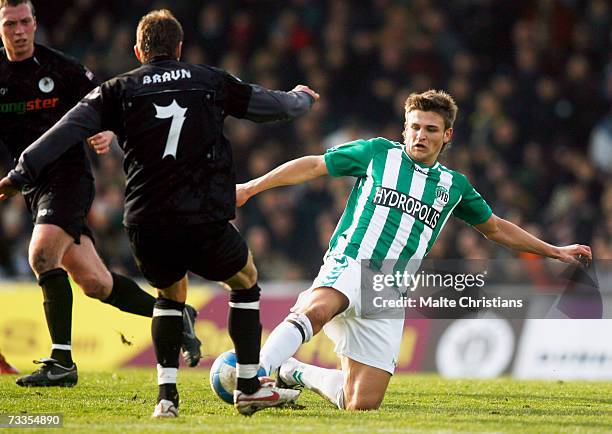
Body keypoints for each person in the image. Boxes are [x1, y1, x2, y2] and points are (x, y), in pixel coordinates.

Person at [0, 8, 320, 417]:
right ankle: (249, 385)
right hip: (203, 216)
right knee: (246, 281)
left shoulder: (116, 89)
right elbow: (271, 105)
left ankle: (166, 399)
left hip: (147, 223)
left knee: (168, 295)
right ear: (180, 48)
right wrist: (300, 99)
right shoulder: (210, 80)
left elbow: (63, 130)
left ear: (137, 50)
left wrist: (19, 173)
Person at [235, 89, 592, 410]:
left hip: (388, 292)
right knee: (317, 310)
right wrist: (251, 187)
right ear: (404, 128)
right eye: (414, 127)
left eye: (430, 129)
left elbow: (496, 228)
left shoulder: (454, 187)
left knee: (359, 403)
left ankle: (291, 371)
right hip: (352, 262)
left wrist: (553, 251)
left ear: (447, 135)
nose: (420, 135)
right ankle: (253, 378)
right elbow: (314, 165)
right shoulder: (378, 154)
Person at [0, 0, 201, 388]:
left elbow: (111, 101)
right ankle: (178, 312)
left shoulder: (61, 68)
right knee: (96, 283)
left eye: (26, 22)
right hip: (32, 186)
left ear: (37, 23)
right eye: (10, 24)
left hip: (68, 177)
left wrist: (108, 130)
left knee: (41, 255)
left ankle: (61, 362)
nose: (20, 31)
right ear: (0, 27)